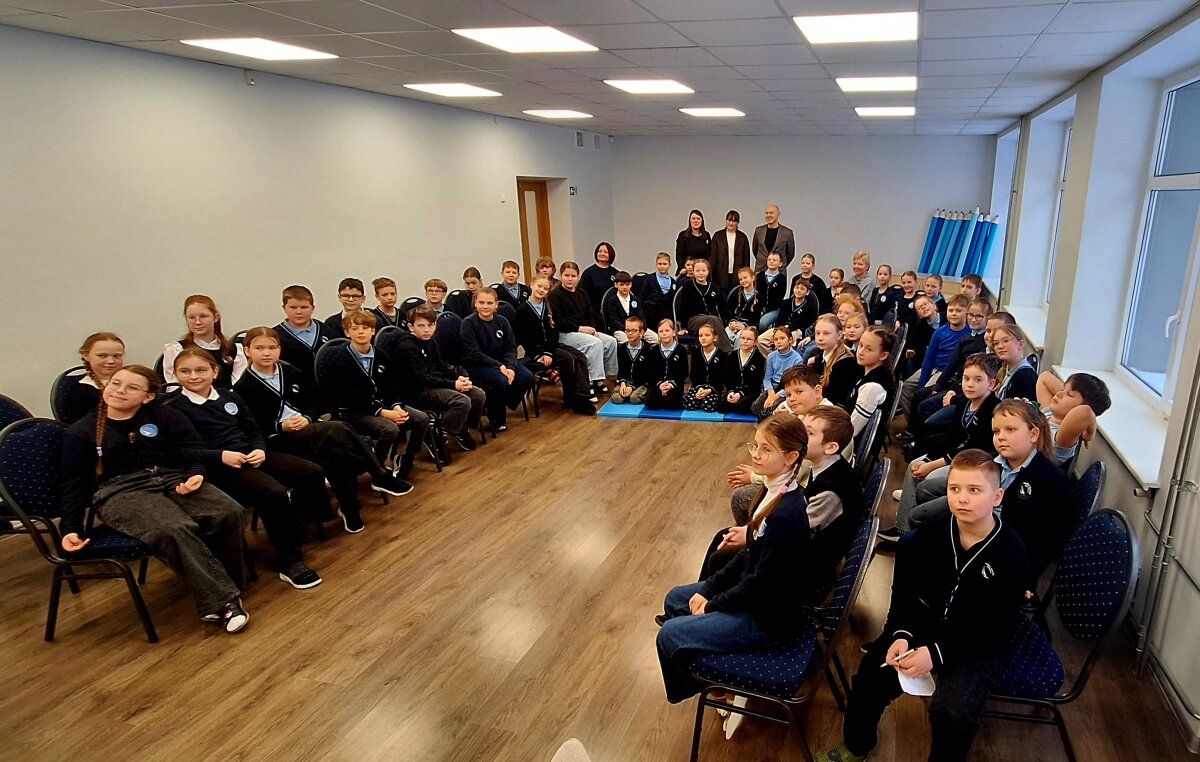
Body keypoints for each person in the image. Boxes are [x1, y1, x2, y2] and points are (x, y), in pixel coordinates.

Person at [815, 449, 1028, 762]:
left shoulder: (1012, 552)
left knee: (952, 713)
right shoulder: (927, 536)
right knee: (869, 679)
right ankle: (857, 745)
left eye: (974, 490)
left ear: (997, 496)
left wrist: (936, 653)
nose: (962, 498)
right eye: (954, 488)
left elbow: (996, 627)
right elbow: (903, 596)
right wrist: (900, 634)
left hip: (976, 641)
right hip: (924, 625)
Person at [656, 415, 854, 708]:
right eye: (755, 446)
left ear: (790, 457)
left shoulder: (786, 514)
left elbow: (760, 584)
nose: (756, 455)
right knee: (676, 599)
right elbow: (748, 554)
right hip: (758, 598)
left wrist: (712, 604)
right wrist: (709, 589)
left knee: (669, 635)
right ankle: (711, 664)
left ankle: (709, 684)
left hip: (766, 620)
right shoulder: (774, 491)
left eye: (766, 449)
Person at [59, 365, 252, 633]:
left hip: (170, 476)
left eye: (132, 387)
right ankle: (224, 602)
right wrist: (70, 527)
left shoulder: (165, 415)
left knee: (228, 511)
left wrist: (196, 473)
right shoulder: (81, 431)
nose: (120, 391)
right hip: (119, 490)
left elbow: (192, 450)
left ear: (148, 396)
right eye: (115, 384)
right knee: (175, 528)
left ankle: (222, 585)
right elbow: (73, 483)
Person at [170, 349, 323, 590]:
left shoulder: (229, 397)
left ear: (214, 371)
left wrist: (259, 449)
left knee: (310, 472)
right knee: (272, 493)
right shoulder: (173, 408)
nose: (194, 376)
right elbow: (181, 451)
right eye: (185, 371)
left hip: (250, 454)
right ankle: (290, 559)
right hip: (218, 466)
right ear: (175, 374)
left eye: (200, 370)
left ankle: (294, 528)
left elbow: (253, 429)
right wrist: (221, 456)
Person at [235, 327, 412, 534]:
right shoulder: (243, 388)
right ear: (247, 351)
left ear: (279, 349)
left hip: (308, 429)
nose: (266, 353)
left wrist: (307, 417)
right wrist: (281, 426)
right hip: (279, 440)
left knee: (337, 454)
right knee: (337, 427)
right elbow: (251, 427)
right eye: (259, 348)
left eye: (272, 348)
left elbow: (315, 402)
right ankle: (378, 474)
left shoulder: (291, 373)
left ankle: (350, 511)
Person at [885, 353, 1003, 540]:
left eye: (978, 380)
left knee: (930, 475)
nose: (970, 384)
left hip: (975, 465)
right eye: (966, 379)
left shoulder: (993, 410)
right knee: (915, 465)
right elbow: (950, 437)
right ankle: (903, 528)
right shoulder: (964, 403)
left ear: (992, 384)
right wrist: (927, 458)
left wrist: (932, 465)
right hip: (958, 457)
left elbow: (972, 448)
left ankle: (916, 529)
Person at [326, 311, 430, 478]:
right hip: (353, 411)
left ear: (373, 331)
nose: (361, 332)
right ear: (347, 332)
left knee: (421, 419)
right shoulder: (338, 358)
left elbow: (390, 386)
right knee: (389, 429)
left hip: (381, 405)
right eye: (355, 328)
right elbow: (349, 397)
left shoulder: (380, 354)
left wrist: (396, 406)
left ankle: (406, 459)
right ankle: (378, 469)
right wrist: (383, 412)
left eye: (365, 328)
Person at [393, 306, 489, 447]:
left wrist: (458, 378)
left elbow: (441, 366)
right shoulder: (406, 347)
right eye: (421, 326)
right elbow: (423, 379)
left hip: (435, 383)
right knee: (462, 401)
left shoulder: (430, 340)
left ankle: (460, 427)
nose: (427, 330)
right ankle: (440, 432)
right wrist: (453, 385)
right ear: (411, 327)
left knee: (478, 394)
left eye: (430, 325)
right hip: (418, 391)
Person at [514, 277, 597, 415]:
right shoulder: (522, 310)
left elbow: (554, 333)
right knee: (568, 358)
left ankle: (582, 395)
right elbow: (524, 338)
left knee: (580, 356)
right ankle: (571, 398)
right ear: (531, 285)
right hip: (536, 351)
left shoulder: (549, 307)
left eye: (545, 288)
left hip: (551, 347)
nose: (541, 290)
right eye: (539, 286)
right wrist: (540, 355)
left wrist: (549, 352)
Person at [461, 287, 534, 433]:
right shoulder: (468, 323)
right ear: (475, 303)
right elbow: (474, 353)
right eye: (481, 302)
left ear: (496, 305)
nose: (485, 306)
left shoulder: (502, 321)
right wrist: (499, 366)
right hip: (479, 365)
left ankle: (507, 402)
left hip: (503, 362)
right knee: (501, 381)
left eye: (489, 303)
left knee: (527, 377)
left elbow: (510, 348)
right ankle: (497, 418)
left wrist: (511, 367)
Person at [548, 261, 618, 396]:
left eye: (573, 276)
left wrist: (593, 329)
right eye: (566, 275)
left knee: (611, 342)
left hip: (584, 330)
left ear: (578, 277)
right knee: (594, 344)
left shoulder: (582, 293)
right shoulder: (555, 296)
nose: (570, 279)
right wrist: (580, 328)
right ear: (561, 276)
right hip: (565, 333)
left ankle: (602, 378)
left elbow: (590, 314)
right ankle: (589, 381)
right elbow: (558, 321)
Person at [899, 294, 970, 417]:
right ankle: (911, 422)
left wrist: (924, 387)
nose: (954, 314)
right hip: (933, 368)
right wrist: (922, 382)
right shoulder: (939, 332)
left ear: (967, 313)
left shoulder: (969, 332)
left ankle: (921, 423)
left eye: (958, 311)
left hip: (946, 372)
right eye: (951, 310)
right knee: (906, 387)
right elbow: (929, 359)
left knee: (925, 394)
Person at [162, 294, 247, 388]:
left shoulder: (234, 350)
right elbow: (174, 386)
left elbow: (239, 387)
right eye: (191, 317)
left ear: (215, 317)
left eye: (203, 316)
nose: (197, 322)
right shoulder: (177, 349)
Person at [1036, 371, 1111, 466]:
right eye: (1062, 389)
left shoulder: (1062, 438)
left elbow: (1085, 411)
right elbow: (1045, 377)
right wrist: (1068, 391)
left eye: (1070, 395)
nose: (1058, 393)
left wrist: (1089, 433)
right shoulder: (1049, 414)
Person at [275, 285, 338, 386]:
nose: (299, 312)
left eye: (304, 307)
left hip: (329, 388)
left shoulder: (327, 330)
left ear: (313, 308)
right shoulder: (276, 336)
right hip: (295, 389)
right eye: (293, 307)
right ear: (284, 308)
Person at [60, 332, 125, 424]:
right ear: (86, 355)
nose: (111, 361)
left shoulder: (135, 381)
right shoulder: (78, 390)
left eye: (117, 356)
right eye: (102, 356)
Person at [675, 258, 732, 351]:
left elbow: (723, 308)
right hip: (694, 321)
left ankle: (716, 354)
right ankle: (728, 352)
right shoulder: (688, 286)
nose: (701, 273)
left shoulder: (715, 288)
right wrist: (683, 327)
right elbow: (682, 307)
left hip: (714, 322)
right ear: (693, 271)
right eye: (697, 271)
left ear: (708, 271)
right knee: (713, 319)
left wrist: (730, 322)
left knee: (714, 321)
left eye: (703, 270)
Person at [847, 326, 894, 436]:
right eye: (861, 345)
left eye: (869, 349)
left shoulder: (873, 387)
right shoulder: (866, 373)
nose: (860, 352)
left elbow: (852, 430)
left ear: (883, 355)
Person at [809, 314, 861, 408]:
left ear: (839, 335)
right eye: (817, 333)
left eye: (826, 333)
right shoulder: (821, 356)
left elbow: (833, 398)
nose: (820, 338)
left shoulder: (846, 363)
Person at [752, 328, 803, 419]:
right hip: (772, 387)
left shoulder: (797, 359)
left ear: (790, 340)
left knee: (770, 411)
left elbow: (794, 383)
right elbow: (767, 378)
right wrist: (770, 394)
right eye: (776, 339)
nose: (779, 342)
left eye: (782, 338)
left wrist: (776, 397)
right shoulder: (771, 356)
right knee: (755, 408)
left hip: (786, 388)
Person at [643, 319, 688, 410]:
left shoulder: (681, 350)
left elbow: (684, 372)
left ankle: (668, 398)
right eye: (661, 331)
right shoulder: (654, 350)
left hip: (674, 385)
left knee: (671, 403)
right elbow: (651, 372)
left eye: (667, 330)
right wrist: (660, 384)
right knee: (651, 403)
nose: (664, 333)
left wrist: (671, 384)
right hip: (658, 384)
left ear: (674, 332)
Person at [721, 327, 766, 415]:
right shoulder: (732, 356)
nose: (745, 341)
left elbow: (756, 382)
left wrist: (741, 393)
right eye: (743, 338)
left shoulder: (759, 358)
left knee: (742, 407)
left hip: (750, 391)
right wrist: (731, 391)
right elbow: (727, 377)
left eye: (749, 339)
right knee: (722, 407)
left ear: (755, 341)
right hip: (734, 389)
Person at [683, 324, 727, 413]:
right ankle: (700, 400)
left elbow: (722, 377)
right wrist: (699, 388)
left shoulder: (721, 355)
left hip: (714, 388)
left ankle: (704, 401)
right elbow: (694, 374)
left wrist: (710, 390)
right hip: (699, 387)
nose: (703, 338)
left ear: (715, 338)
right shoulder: (696, 354)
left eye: (707, 335)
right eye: (700, 336)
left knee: (708, 406)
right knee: (688, 404)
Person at [603, 270, 656, 344]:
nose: (625, 287)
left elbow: (641, 317)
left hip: (637, 329)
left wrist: (642, 329)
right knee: (629, 342)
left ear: (631, 285)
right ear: (616, 285)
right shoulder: (612, 300)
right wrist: (628, 329)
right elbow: (614, 320)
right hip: (620, 330)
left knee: (656, 339)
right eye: (621, 285)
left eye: (627, 284)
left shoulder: (635, 299)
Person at [613, 316, 655, 405]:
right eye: (627, 330)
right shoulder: (622, 348)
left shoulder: (648, 349)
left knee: (634, 399)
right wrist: (623, 383)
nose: (630, 333)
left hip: (642, 382)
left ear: (641, 332)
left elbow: (648, 374)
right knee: (617, 398)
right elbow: (621, 370)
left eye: (634, 330)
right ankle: (626, 392)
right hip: (627, 381)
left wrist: (633, 387)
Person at [992, 324, 1037, 401]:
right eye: (996, 343)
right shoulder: (1004, 369)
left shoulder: (1025, 377)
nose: (1000, 346)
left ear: (1021, 344)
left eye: (1006, 341)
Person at [710, 209, 751, 289]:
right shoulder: (718, 236)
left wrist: (745, 274)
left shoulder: (743, 237)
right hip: (720, 274)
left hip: (737, 274)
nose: (731, 223)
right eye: (729, 220)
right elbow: (713, 256)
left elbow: (746, 258)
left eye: (734, 221)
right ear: (726, 220)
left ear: (738, 222)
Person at [639, 252, 679, 331]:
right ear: (656, 264)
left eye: (665, 264)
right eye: (659, 264)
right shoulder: (649, 278)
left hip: (666, 313)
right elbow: (642, 296)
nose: (662, 266)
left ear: (670, 265)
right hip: (651, 312)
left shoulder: (673, 282)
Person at [752, 204, 795, 271]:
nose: (769, 215)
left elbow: (790, 254)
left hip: (779, 271)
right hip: (760, 269)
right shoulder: (758, 230)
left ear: (778, 214)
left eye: (771, 213)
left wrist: (779, 264)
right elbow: (755, 250)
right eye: (767, 213)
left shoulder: (787, 233)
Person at [726, 267, 762, 345]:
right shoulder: (735, 293)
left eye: (745, 278)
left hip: (749, 325)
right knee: (725, 335)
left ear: (753, 278)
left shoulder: (759, 297)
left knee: (740, 337)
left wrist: (744, 325)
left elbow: (757, 317)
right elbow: (729, 310)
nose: (743, 281)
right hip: (734, 324)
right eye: (741, 279)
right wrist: (732, 322)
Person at [754, 251, 789, 333]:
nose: (771, 261)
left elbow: (780, 297)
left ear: (780, 264)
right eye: (769, 259)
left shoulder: (781, 278)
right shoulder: (760, 276)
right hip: (759, 307)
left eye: (774, 260)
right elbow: (757, 294)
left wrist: (766, 309)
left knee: (763, 323)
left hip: (774, 309)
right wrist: (760, 308)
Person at [581, 242, 619, 314]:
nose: (602, 254)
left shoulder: (616, 273)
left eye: (605, 252)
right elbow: (583, 295)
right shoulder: (588, 273)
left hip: (613, 311)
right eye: (599, 251)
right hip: (594, 312)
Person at [676, 209, 711, 274]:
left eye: (698, 218)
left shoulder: (706, 235)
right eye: (693, 218)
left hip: (701, 272)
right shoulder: (683, 235)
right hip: (686, 271)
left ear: (702, 220)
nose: (695, 221)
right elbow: (679, 254)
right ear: (690, 220)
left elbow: (709, 254)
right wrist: (682, 268)